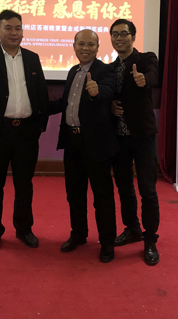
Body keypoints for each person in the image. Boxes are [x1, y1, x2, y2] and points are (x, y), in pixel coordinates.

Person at [0, 9, 49, 254]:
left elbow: (40, 92)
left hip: (26, 133)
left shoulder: (33, 58)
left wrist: (41, 123)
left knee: (24, 184)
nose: (14, 33)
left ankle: (24, 229)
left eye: (17, 28)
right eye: (8, 28)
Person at [50, 29, 119, 263]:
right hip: (73, 142)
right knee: (74, 194)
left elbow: (107, 90)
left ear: (98, 47)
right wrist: (38, 108)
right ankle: (78, 234)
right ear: (74, 46)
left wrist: (97, 92)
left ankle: (107, 242)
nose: (85, 48)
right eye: (81, 44)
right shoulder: (73, 71)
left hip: (96, 144)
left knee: (102, 196)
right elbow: (66, 102)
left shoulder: (105, 70)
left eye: (91, 44)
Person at [109, 18, 161, 266]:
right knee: (124, 188)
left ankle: (150, 240)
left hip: (143, 137)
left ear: (133, 36)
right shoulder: (110, 68)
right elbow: (108, 95)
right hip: (119, 138)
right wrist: (110, 105)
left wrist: (144, 80)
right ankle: (132, 229)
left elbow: (153, 75)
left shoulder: (145, 59)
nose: (119, 38)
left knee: (148, 191)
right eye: (115, 34)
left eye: (123, 34)